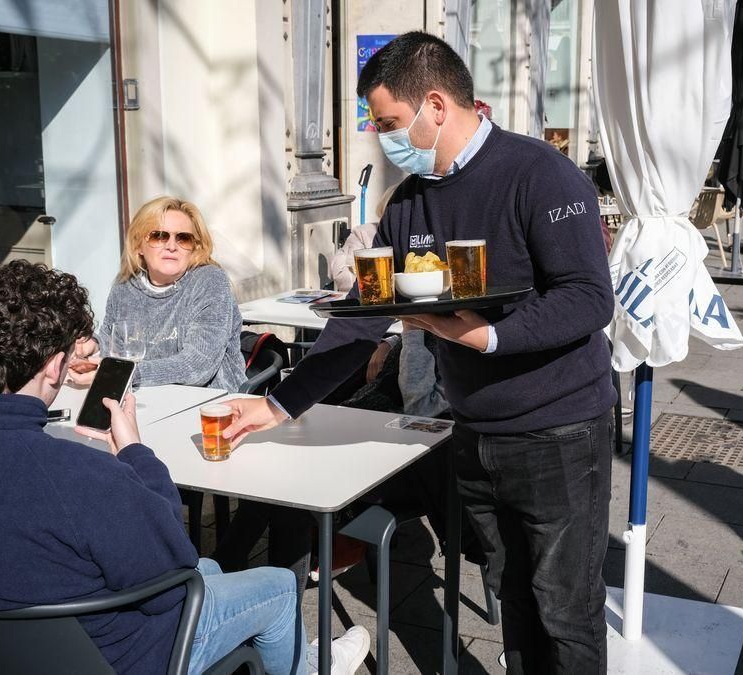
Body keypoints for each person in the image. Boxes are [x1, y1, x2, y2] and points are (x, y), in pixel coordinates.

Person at [222, 32, 616, 674]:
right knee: (513, 595)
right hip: (472, 433)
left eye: (388, 122)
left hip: (560, 434)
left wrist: (486, 337)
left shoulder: (539, 172)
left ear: (436, 104)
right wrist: (279, 403)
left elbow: (588, 297)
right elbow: (363, 321)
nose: (382, 137)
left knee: (565, 609)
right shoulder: (408, 201)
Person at [0, 261, 369, 675]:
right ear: (57, 366)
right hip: (122, 655)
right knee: (277, 585)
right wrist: (134, 453)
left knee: (216, 570)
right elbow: (173, 561)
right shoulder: (80, 477)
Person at [68, 196, 245, 392]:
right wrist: (92, 346)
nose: (171, 246)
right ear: (138, 246)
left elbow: (196, 367)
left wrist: (119, 375)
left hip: (210, 404)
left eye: (183, 238)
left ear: (194, 247)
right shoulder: (125, 286)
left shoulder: (209, 281)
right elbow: (115, 340)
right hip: (145, 398)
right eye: (159, 236)